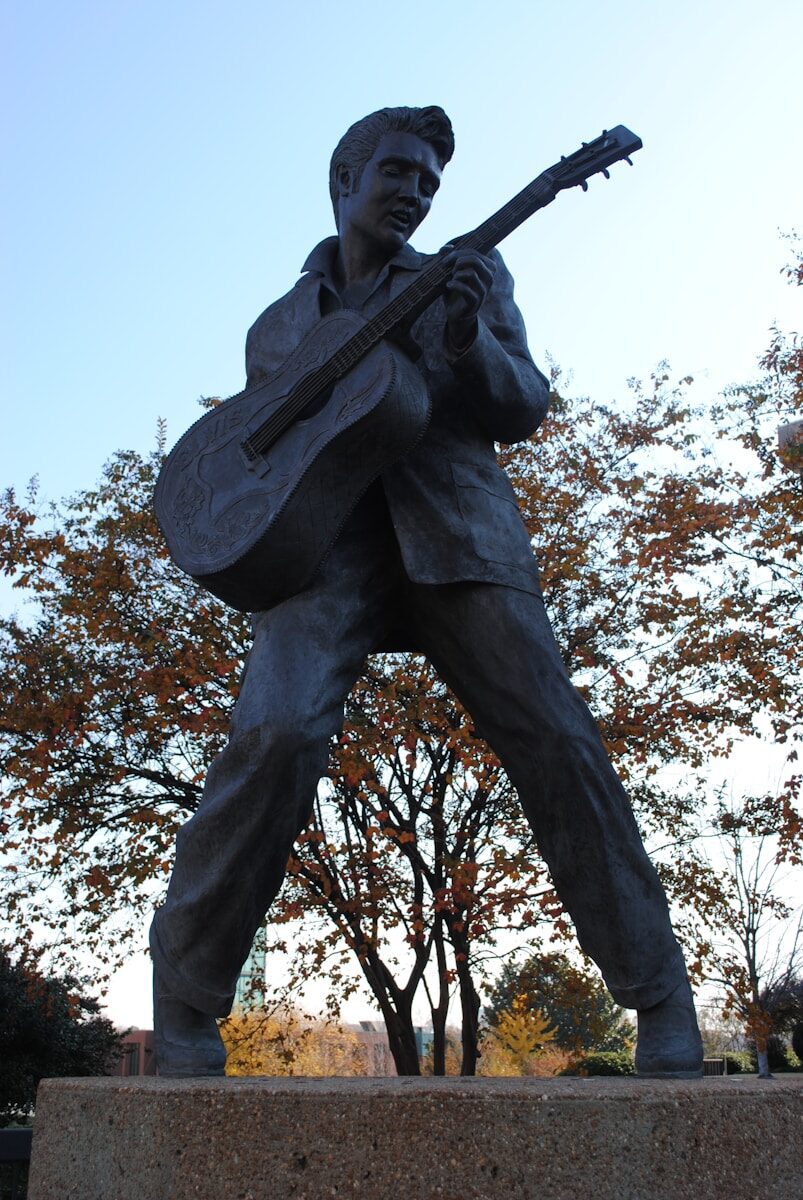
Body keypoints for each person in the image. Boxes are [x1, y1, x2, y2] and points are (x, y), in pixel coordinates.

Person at [150, 105, 703, 1078]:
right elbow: (267, 463)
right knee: (270, 735)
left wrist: (466, 341)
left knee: (556, 738)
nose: (414, 192)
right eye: (398, 172)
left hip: (455, 529)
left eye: (428, 183)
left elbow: (521, 401)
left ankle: (658, 996)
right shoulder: (275, 330)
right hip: (327, 550)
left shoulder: (469, 277)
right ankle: (186, 1002)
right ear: (344, 180)